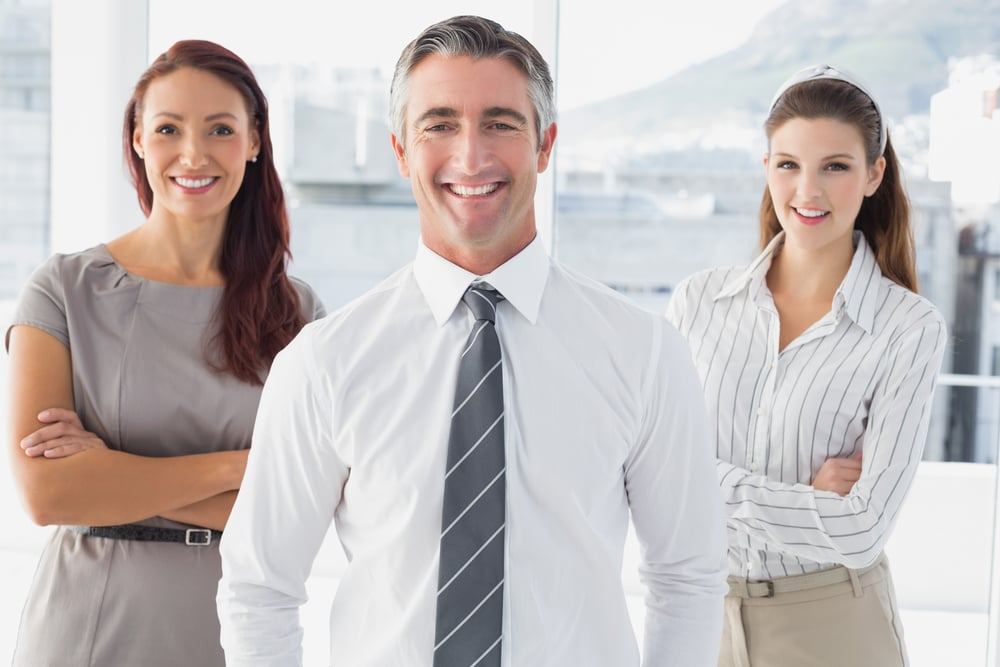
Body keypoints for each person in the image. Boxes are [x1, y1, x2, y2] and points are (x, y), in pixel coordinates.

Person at [217, 14, 727, 667]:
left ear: (545, 144)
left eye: (500, 123)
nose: (470, 156)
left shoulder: (644, 353)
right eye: (439, 125)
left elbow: (688, 579)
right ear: (401, 150)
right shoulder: (324, 363)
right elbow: (259, 589)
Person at [5, 39, 325, 666]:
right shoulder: (64, 289)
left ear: (254, 141)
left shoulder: (297, 313)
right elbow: (47, 494)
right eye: (169, 129)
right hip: (87, 626)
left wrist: (107, 473)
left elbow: (302, 513)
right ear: (137, 140)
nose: (193, 154)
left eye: (220, 129)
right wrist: (242, 469)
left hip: (239, 630)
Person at [666, 64, 949, 667]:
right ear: (766, 167)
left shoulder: (908, 328)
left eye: (835, 167)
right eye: (789, 164)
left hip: (833, 626)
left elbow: (863, 530)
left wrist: (704, 482)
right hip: (701, 618)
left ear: (874, 174)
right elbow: (649, 475)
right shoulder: (698, 303)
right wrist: (803, 499)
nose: (807, 191)